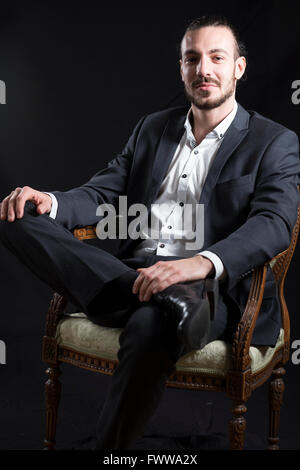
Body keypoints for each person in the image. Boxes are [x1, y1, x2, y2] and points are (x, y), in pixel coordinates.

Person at [0, 15, 299, 450]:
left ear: (239, 67)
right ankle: (160, 296)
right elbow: (104, 194)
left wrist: (194, 266)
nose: (204, 70)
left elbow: (273, 224)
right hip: (135, 272)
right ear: (181, 67)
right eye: (192, 59)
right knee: (17, 215)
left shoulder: (274, 141)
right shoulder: (152, 128)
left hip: (210, 290)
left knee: (150, 327)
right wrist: (52, 200)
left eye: (217, 57)